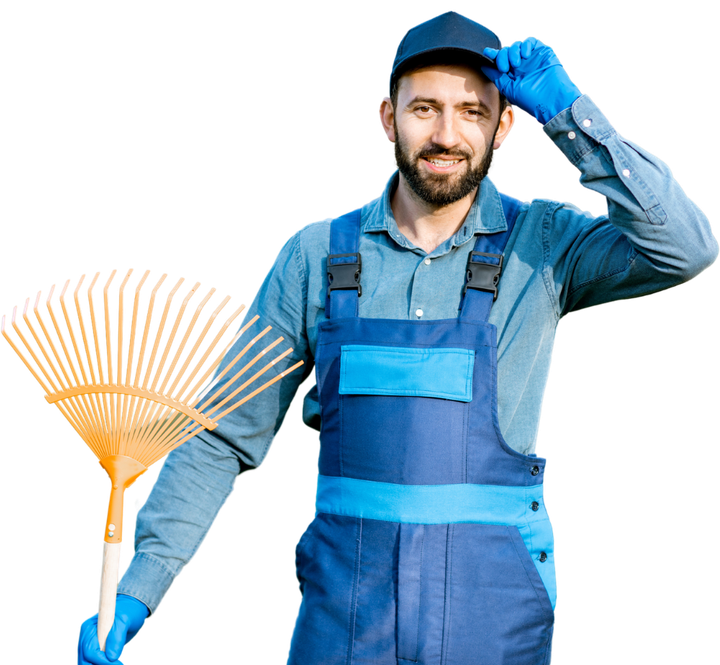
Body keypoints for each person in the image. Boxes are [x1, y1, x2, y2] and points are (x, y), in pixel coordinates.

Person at [77, 10, 717, 665]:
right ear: (387, 118)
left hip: (490, 619)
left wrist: (571, 114)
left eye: (472, 111)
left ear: (505, 126)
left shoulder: (546, 245)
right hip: (345, 618)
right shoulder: (316, 255)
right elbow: (222, 437)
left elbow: (686, 249)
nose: (446, 134)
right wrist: (140, 587)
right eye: (425, 109)